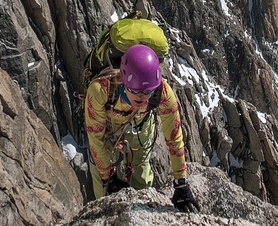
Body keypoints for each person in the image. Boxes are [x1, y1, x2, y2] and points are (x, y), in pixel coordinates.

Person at [84, 43, 200, 213]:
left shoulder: (162, 91)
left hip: (141, 122)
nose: (141, 97)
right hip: (108, 128)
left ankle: (141, 207)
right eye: (134, 90)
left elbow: (174, 136)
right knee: (103, 187)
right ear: (124, 81)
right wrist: (108, 177)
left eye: (147, 92)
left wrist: (181, 182)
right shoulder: (101, 89)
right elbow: (96, 139)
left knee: (142, 175)